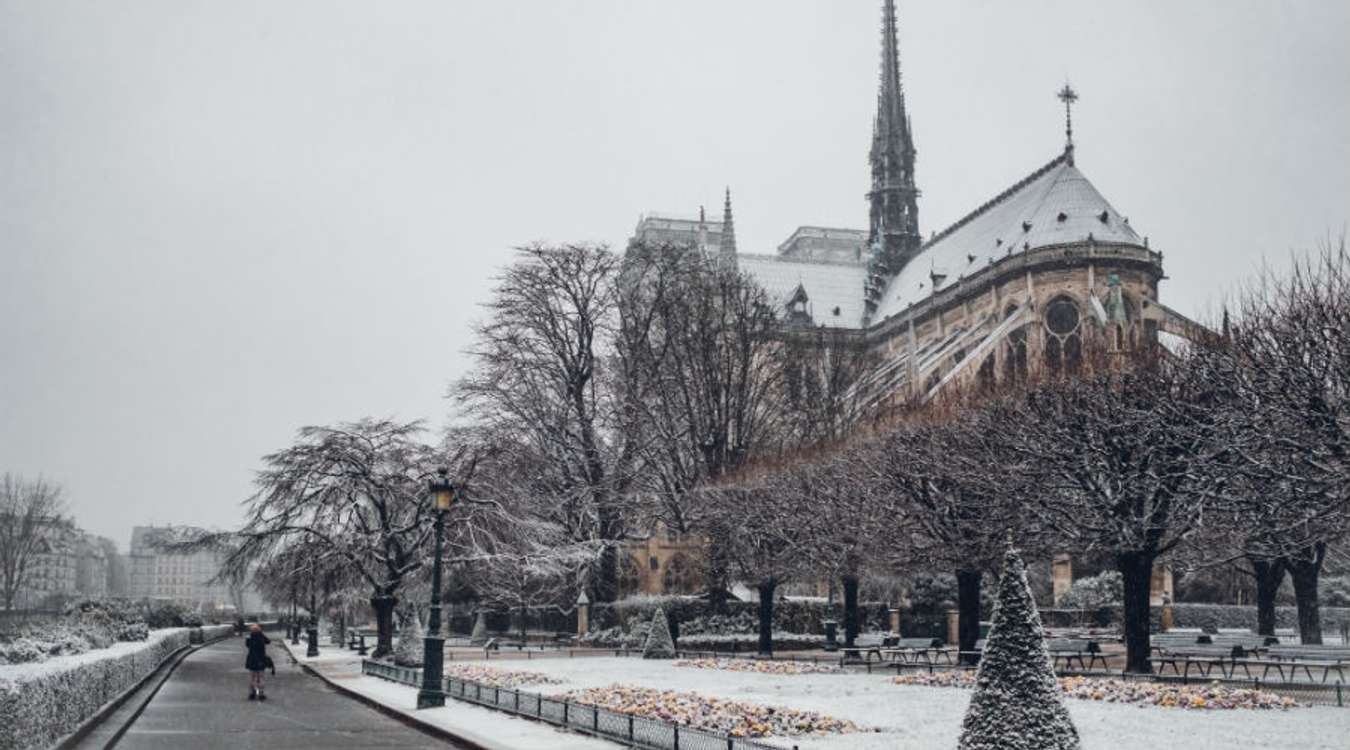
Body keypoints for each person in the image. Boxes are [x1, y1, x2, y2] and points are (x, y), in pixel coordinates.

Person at [244, 623, 271, 701]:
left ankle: (252, 693)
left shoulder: (249, 637)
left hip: (252, 659)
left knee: (252, 678)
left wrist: (250, 636)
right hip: (260, 659)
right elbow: (268, 641)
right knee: (261, 677)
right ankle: (261, 693)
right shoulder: (261, 637)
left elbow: (247, 645)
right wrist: (261, 634)